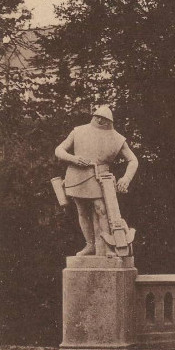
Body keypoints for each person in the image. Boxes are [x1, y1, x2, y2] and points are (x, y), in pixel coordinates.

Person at [55, 105, 138, 256]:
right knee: (82, 211)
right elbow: (59, 150)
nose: (100, 120)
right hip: (77, 175)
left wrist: (126, 178)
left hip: (101, 177)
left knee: (101, 209)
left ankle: (107, 246)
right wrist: (74, 158)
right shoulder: (79, 131)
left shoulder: (116, 137)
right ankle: (90, 245)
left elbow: (133, 160)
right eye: (98, 117)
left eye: (103, 119)